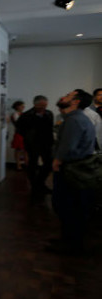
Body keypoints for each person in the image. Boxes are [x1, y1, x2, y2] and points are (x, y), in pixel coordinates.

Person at [49, 89, 97, 254]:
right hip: (76, 168)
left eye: (68, 96)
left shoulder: (74, 120)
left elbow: (68, 146)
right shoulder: (77, 118)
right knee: (71, 207)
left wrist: (57, 161)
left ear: (76, 101)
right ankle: (68, 240)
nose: (64, 97)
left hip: (71, 169)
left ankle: (71, 244)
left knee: (67, 206)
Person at [18, 95, 54, 196]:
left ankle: (40, 183)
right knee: (32, 164)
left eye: (45, 105)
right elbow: (20, 129)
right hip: (32, 144)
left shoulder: (49, 114)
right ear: (35, 104)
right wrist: (29, 137)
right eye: (41, 106)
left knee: (49, 164)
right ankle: (35, 186)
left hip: (46, 143)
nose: (43, 108)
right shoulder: (26, 115)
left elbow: (50, 128)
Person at [9, 101, 27, 170]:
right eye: (22, 106)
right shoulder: (15, 114)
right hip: (19, 134)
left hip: (25, 134)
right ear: (17, 107)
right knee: (18, 150)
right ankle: (18, 165)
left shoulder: (24, 114)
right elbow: (19, 124)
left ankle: (26, 164)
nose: (23, 107)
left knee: (25, 150)